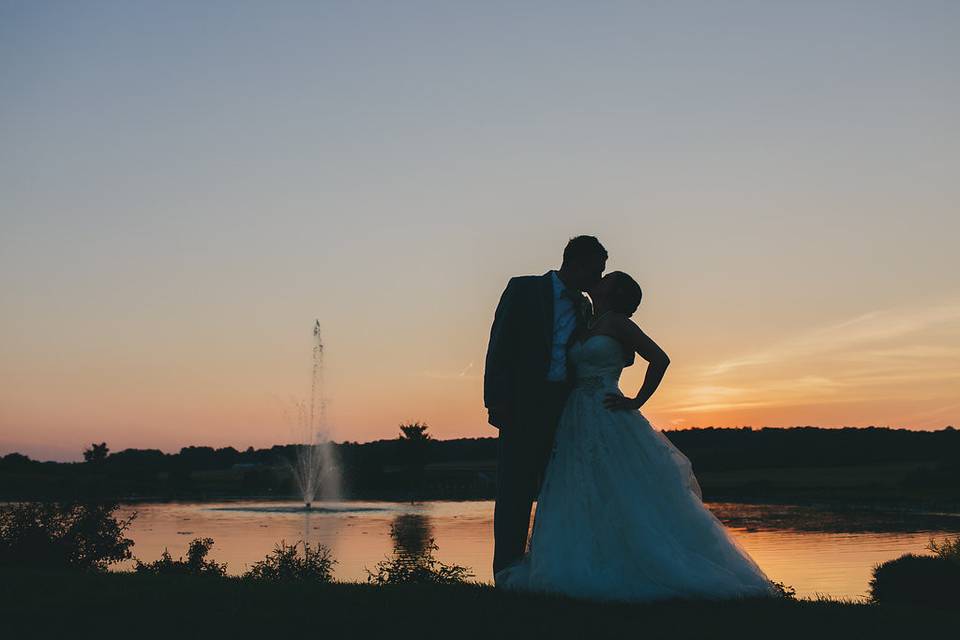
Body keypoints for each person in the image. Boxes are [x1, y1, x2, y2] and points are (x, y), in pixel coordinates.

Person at [489, 269, 775, 601]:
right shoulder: (587, 320)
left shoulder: (618, 323)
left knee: (620, 487)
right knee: (577, 487)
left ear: (616, 292)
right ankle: (581, 557)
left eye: (607, 278)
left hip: (609, 412)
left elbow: (659, 359)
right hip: (574, 418)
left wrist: (637, 399)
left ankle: (639, 563)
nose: (599, 278)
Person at [484, 235, 607, 575]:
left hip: (566, 409)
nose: (597, 280)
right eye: (595, 271)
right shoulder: (523, 290)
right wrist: (496, 401)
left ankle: (549, 568)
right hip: (521, 405)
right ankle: (506, 573)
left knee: (559, 489)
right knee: (514, 490)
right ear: (577, 263)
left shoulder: (585, 306)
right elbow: (500, 346)